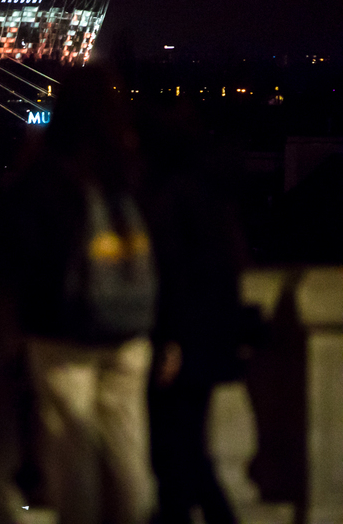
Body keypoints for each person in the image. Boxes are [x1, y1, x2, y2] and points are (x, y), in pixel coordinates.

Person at [6, 66, 157, 524]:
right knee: (128, 448)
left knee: (72, 453)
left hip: (63, 331)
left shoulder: (48, 168)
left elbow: (28, 250)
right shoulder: (130, 167)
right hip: (129, 329)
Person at [140, 100, 244, 524]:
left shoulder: (170, 197)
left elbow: (175, 276)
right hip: (207, 343)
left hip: (181, 346)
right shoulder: (212, 196)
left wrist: (170, 338)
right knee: (188, 455)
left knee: (175, 456)